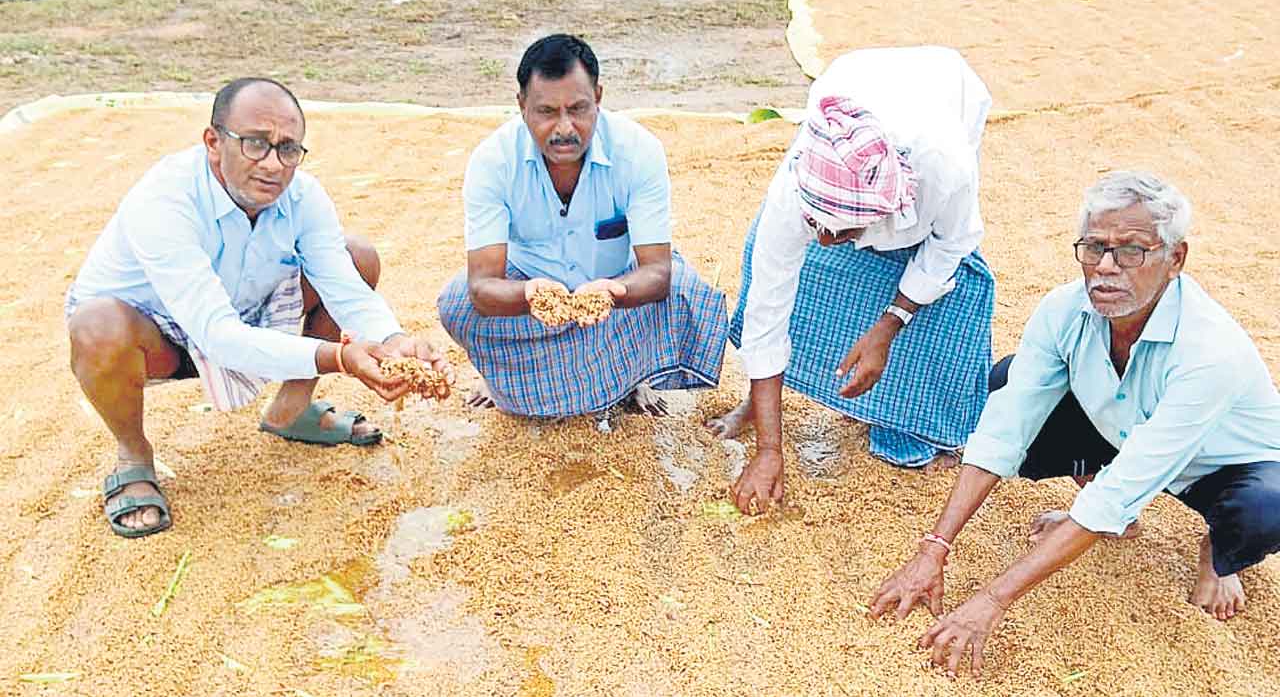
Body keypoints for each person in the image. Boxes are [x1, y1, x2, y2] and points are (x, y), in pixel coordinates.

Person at [870, 171, 1280, 676]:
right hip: (1125, 434)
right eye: (1094, 247)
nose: (1106, 268)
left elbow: (1126, 484)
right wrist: (933, 549)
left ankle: (1222, 554)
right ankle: (1111, 519)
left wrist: (990, 602)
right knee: (1005, 381)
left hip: (1223, 467)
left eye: (1132, 251)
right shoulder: (1063, 309)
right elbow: (1006, 426)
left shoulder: (1210, 352)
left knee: (1267, 507)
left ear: (1175, 259)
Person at [66, 77, 451, 539]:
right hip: (157, 335)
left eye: (288, 148)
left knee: (357, 255)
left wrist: (395, 343)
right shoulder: (166, 198)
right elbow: (215, 335)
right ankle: (133, 455)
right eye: (256, 144)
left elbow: (344, 285)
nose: (273, 164)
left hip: (249, 315)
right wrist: (340, 359)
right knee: (95, 325)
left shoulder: (303, 196)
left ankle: (290, 411)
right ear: (213, 142)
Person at [707, 47, 995, 514]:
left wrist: (888, 326)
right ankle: (760, 407)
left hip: (945, 93)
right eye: (815, 224)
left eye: (839, 229)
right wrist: (769, 452)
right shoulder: (797, 184)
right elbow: (767, 308)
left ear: (882, 208)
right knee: (784, 268)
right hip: (859, 85)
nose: (823, 239)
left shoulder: (944, 166)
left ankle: (911, 422)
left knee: (954, 297)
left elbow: (949, 246)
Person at [437, 34, 727, 420]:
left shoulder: (639, 150)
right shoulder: (493, 161)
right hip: (530, 291)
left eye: (578, 108)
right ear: (522, 106)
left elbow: (657, 271)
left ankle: (631, 378)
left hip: (615, 290)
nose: (565, 128)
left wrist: (615, 291)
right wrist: (530, 294)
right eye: (546, 112)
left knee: (684, 291)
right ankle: (505, 379)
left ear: (599, 97)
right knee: (456, 306)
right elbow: (482, 287)